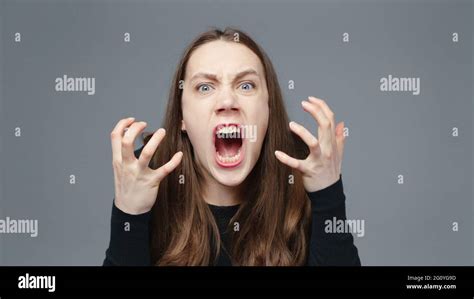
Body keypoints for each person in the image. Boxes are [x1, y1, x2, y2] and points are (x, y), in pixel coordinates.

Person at [104, 27, 361, 266]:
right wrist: (131, 212)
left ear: (268, 110)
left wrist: (327, 193)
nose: (227, 100)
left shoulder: (306, 179)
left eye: (246, 85)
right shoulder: (146, 179)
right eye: (205, 87)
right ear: (181, 117)